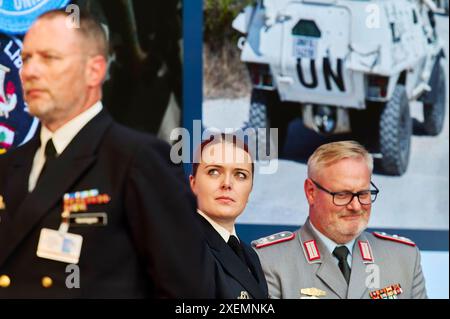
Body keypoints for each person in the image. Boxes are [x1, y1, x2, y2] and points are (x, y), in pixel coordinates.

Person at [0, 10, 213, 298]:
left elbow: (189, 293)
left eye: (49, 58)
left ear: (95, 70)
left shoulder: (137, 160)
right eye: (26, 59)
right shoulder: (11, 165)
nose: (31, 71)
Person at [253, 141, 427, 299]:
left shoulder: (404, 258)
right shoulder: (268, 261)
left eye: (363, 194)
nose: (356, 206)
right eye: (342, 195)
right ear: (311, 192)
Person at [189, 133, 268, 299]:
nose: (227, 183)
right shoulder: (181, 247)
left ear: (251, 188)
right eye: (214, 172)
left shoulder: (250, 255)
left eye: (240, 175)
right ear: (193, 183)